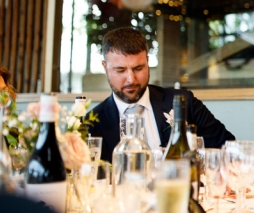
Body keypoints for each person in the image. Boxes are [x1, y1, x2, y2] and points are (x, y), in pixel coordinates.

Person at [90, 27, 235, 162]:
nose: (131, 79)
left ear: (147, 62)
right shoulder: (92, 123)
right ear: (105, 67)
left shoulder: (183, 102)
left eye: (138, 68)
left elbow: (229, 150)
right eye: (120, 70)